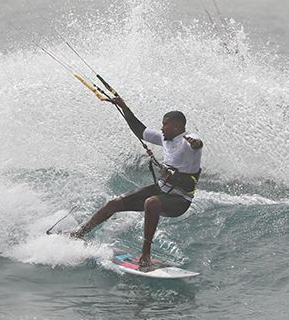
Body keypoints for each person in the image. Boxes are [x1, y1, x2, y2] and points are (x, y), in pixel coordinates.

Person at [71, 96, 203, 270]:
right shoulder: (165, 138)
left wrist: (195, 143)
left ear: (176, 126)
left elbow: (198, 143)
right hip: (162, 189)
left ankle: (146, 253)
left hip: (179, 200)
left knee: (151, 202)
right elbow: (140, 130)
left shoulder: (188, 140)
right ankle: (79, 234)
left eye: (165, 124)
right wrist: (124, 107)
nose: (162, 128)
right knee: (114, 203)